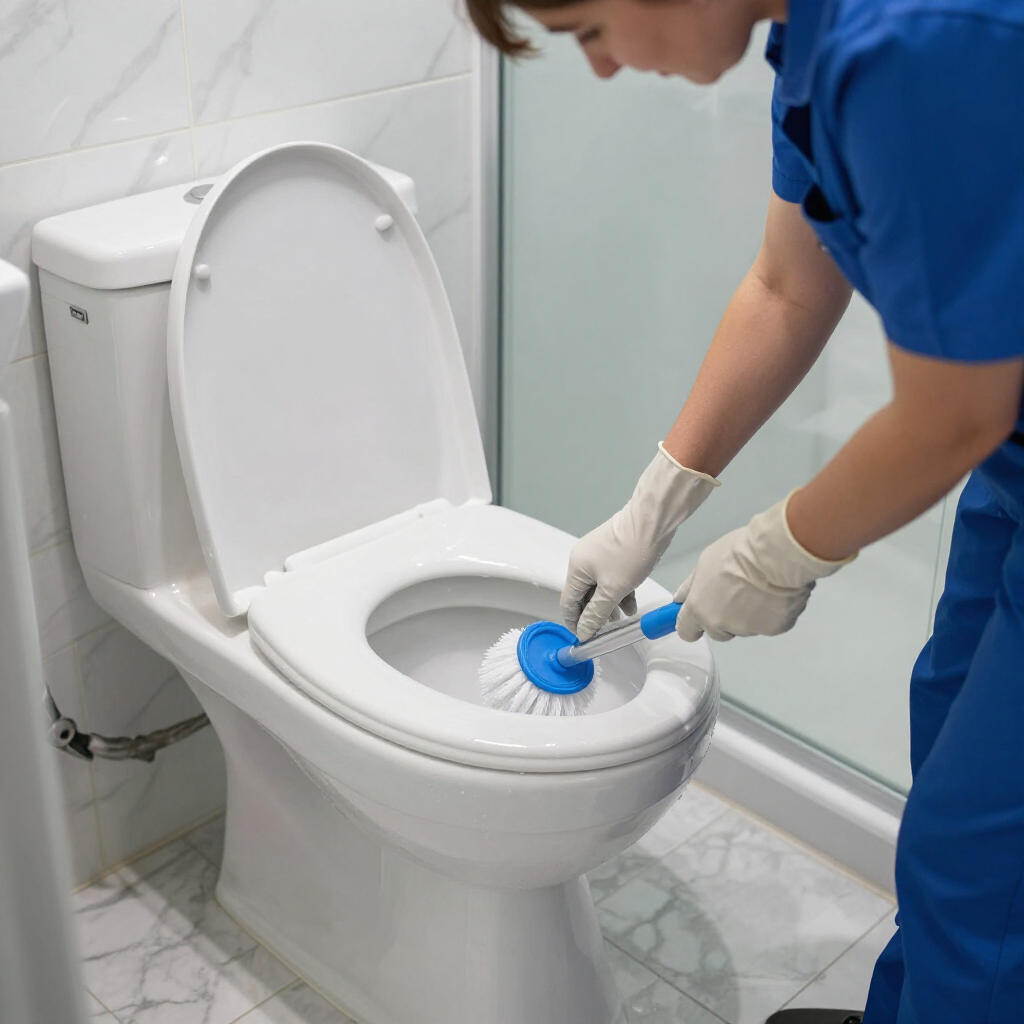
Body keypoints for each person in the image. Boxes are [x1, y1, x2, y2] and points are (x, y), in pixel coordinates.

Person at [464, 1, 1024, 1022]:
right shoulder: (816, 39)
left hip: (989, 422)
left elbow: (953, 409)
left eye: (586, 27)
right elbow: (783, 286)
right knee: (948, 743)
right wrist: (656, 502)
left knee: (985, 866)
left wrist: (784, 548)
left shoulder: (906, 41)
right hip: (1010, 461)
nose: (595, 69)